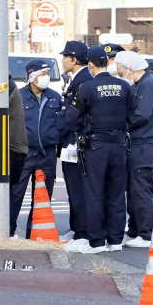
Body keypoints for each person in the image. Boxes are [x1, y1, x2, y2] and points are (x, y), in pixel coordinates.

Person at [59, 46, 132, 253]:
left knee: (94, 193)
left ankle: (97, 241)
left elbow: (72, 118)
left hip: (96, 146)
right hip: (119, 145)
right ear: (107, 63)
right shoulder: (124, 86)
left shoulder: (88, 88)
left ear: (90, 65)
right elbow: (132, 114)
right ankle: (115, 240)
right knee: (117, 194)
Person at [115, 51, 153, 248]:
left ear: (130, 69)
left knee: (141, 191)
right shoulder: (141, 84)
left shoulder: (148, 85)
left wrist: (122, 123)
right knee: (133, 190)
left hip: (144, 145)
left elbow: (141, 115)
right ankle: (134, 229)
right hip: (137, 145)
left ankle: (145, 233)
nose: (120, 76)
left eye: (120, 72)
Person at [10, 60, 61, 239]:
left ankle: (35, 233)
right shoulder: (19, 96)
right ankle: (9, 231)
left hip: (47, 154)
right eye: (42, 74)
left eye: (47, 74)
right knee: (15, 193)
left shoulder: (55, 97)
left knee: (42, 196)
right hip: (23, 153)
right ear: (32, 76)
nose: (46, 77)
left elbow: (61, 124)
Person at [56, 41, 92, 243]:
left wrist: (59, 126)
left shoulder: (83, 81)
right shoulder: (76, 79)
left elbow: (74, 115)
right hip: (72, 142)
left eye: (64, 57)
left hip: (77, 143)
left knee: (78, 189)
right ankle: (76, 227)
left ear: (74, 59)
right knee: (72, 188)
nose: (62, 61)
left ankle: (82, 231)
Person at [8, 75, 29, 237]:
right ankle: (8, 230)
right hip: (14, 148)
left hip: (11, 149)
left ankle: (8, 230)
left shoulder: (7, 87)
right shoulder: (16, 89)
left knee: (10, 192)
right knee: (11, 194)